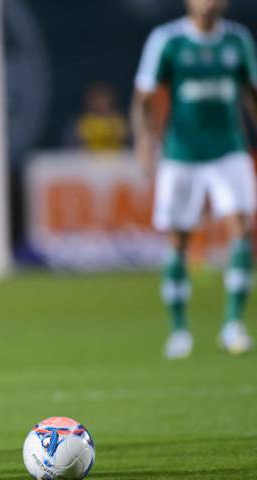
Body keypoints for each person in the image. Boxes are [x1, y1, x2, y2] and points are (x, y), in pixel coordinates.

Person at [132, 0, 257, 359]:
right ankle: (179, 331)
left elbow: (251, 93)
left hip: (229, 148)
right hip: (181, 154)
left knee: (241, 226)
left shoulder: (237, 40)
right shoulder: (167, 40)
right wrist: (145, 141)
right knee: (178, 238)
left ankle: (233, 324)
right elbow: (144, 95)